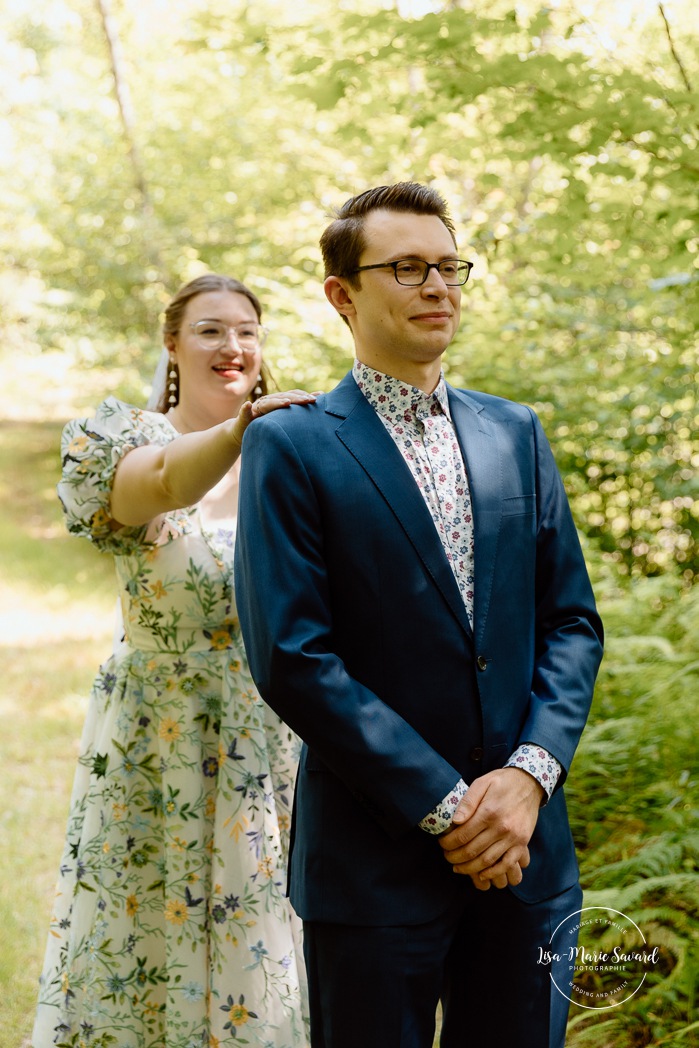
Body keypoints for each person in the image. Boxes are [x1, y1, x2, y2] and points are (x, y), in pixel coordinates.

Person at [233, 183, 604, 1048]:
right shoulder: (289, 444)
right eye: (405, 267)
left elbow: (570, 624)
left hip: (527, 855)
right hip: (373, 864)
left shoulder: (516, 432)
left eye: (448, 266)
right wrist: (449, 808)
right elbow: (293, 656)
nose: (437, 285)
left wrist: (527, 779)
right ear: (342, 293)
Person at [33, 274, 315, 1048]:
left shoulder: (293, 452)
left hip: (270, 733)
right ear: (171, 343)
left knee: (265, 929)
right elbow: (156, 485)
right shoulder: (123, 440)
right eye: (210, 330)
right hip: (157, 735)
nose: (233, 347)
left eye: (247, 331)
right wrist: (238, 432)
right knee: (147, 929)